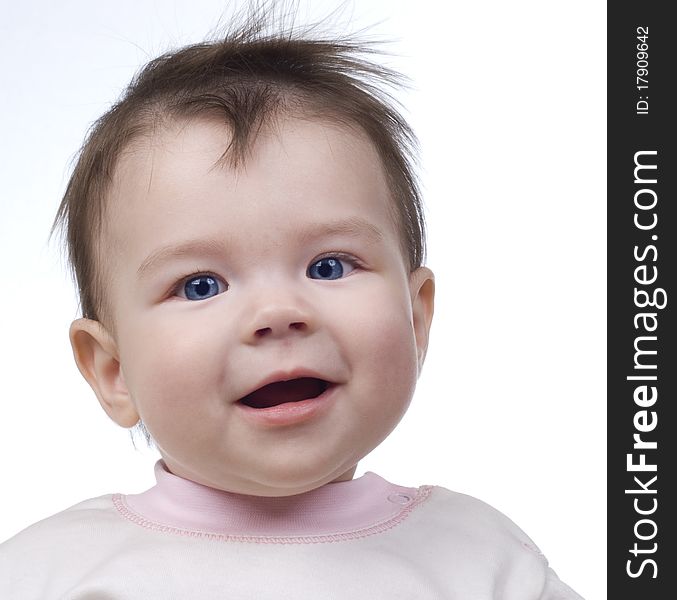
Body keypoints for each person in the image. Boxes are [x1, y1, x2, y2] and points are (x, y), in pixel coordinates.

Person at [0, 7, 583, 599]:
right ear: (113, 370)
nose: (279, 312)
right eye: (201, 284)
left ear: (414, 320)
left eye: (328, 266)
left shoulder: (481, 558)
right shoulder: (49, 573)